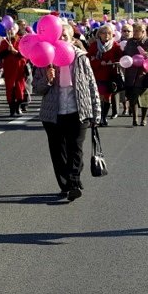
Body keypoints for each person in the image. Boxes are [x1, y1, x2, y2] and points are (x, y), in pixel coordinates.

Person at [33, 23, 101, 201]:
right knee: (58, 152)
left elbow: (91, 85)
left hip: (79, 110)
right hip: (53, 113)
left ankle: (73, 182)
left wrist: (96, 112)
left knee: (75, 149)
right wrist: (47, 80)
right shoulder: (45, 59)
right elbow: (37, 89)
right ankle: (65, 185)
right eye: (58, 36)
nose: (61, 39)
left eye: (64, 36)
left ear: (71, 39)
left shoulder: (80, 58)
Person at [86, 23, 124, 125]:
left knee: (107, 97)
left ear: (112, 35)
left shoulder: (116, 46)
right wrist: (99, 62)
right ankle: (97, 116)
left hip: (109, 76)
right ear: (99, 34)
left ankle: (103, 116)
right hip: (96, 74)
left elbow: (120, 59)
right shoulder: (94, 45)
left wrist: (111, 61)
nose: (106, 35)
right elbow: (89, 59)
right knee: (98, 97)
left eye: (109, 33)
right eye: (103, 33)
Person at [123, 23, 148, 126]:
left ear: (143, 32)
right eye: (133, 31)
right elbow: (125, 53)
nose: (134, 33)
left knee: (145, 97)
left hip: (144, 73)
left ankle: (144, 118)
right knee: (132, 97)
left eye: (136, 31)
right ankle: (134, 118)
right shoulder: (130, 42)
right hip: (131, 73)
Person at [0, 21, 27, 116]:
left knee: (20, 88)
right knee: (10, 88)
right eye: (9, 30)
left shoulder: (21, 40)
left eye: (12, 29)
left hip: (20, 69)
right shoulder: (4, 42)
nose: (10, 31)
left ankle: (18, 106)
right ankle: (12, 109)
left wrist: (16, 52)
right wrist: (7, 51)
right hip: (9, 68)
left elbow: (25, 54)